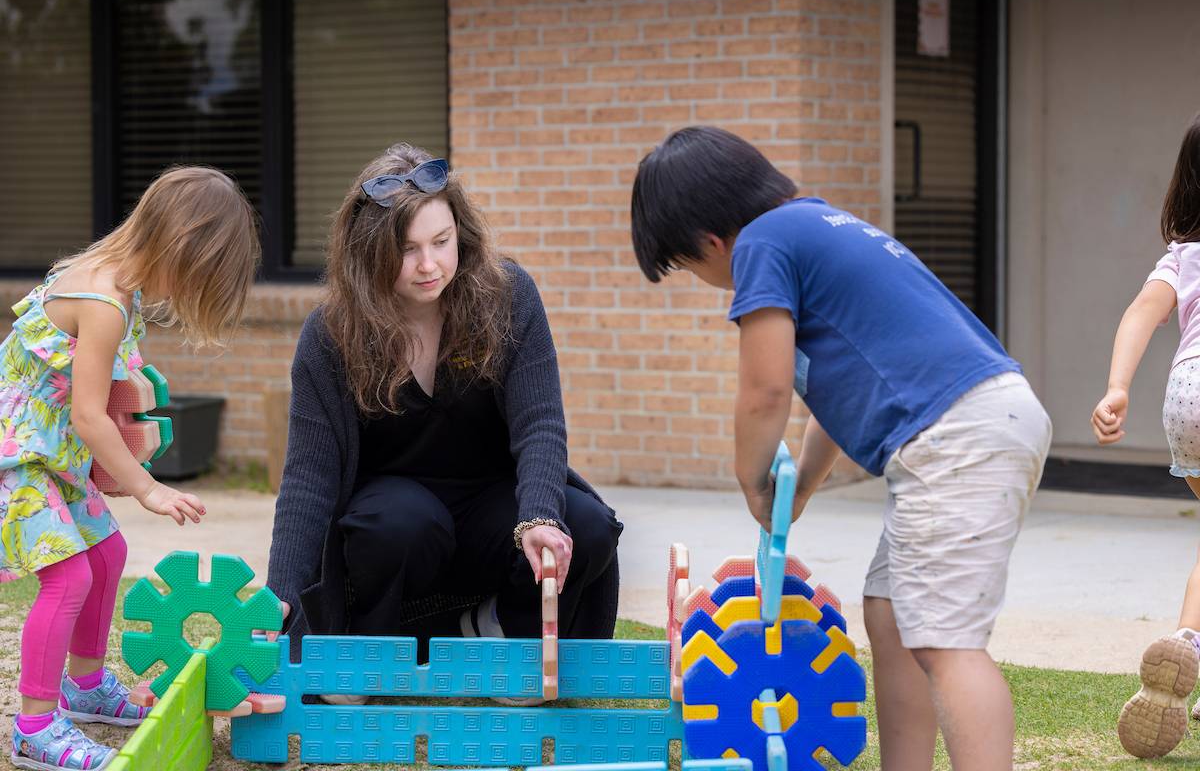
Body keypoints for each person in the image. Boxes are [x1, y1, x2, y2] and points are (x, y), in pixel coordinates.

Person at [630, 126, 1051, 771]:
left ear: (711, 241)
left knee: (946, 644)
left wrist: (750, 480)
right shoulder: (817, 224)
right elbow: (830, 402)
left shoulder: (763, 244)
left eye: (689, 268)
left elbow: (766, 391)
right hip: (982, 417)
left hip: (955, 436)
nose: (707, 280)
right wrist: (797, 492)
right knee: (889, 613)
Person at [266, 144, 622, 703]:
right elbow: (308, 476)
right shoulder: (331, 334)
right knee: (401, 519)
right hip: (392, 519)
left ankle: (501, 632)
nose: (429, 265)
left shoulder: (508, 296)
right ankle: (369, 649)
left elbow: (540, 424)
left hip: (493, 508)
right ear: (369, 253)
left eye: (441, 242)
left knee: (587, 526)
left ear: (462, 233)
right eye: (406, 251)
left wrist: (538, 518)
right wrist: (281, 594)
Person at [4, 166, 259, 769]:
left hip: (51, 452)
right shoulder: (104, 303)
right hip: (19, 458)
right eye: (197, 277)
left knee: (106, 555)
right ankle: (36, 727)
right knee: (66, 577)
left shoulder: (112, 277)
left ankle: (86, 687)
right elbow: (89, 415)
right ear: (180, 247)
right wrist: (147, 489)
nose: (186, 294)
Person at [1093, 114, 1200, 759]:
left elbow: (1140, 313)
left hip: (1187, 397)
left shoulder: (1185, 256)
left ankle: (1187, 644)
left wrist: (1116, 388)